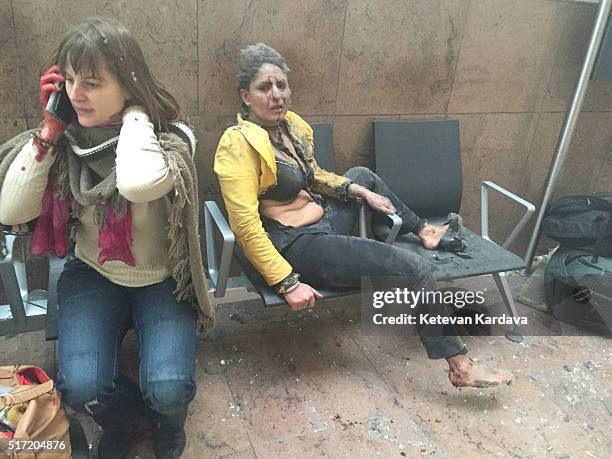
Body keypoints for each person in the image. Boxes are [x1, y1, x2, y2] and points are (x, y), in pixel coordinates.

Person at [214, 43, 512, 390]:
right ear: (245, 96)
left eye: (281, 85)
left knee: (362, 175)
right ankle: (459, 364)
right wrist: (287, 282)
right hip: (293, 246)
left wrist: (360, 192)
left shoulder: (289, 130)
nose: (276, 94)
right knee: (415, 270)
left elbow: (315, 176)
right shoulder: (237, 144)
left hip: (318, 222)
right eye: (264, 87)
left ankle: (424, 231)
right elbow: (245, 225)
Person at [0, 17, 213, 458]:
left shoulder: (171, 137)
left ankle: (167, 421)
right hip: (92, 272)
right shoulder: (65, 141)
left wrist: (135, 112)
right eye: (69, 80)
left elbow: (136, 183)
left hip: (163, 277)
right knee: (79, 387)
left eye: (92, 83)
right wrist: (51, 130)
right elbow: (11, 212)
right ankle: (127, 418)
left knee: (171, 389)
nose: (75, 95)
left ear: (130, 84)